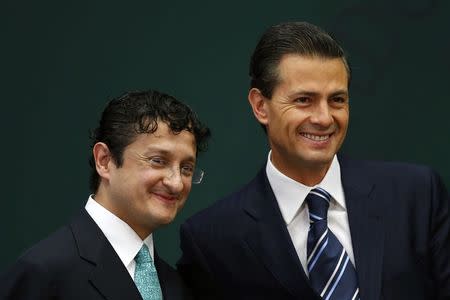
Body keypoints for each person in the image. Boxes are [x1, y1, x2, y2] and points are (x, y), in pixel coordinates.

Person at [176, 22, 450, 300]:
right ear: (260, 106)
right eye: (304, 100)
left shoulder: (416, 195)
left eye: (337, 100)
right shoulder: (213, 238)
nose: (324, 118)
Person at [0, 90, 210, 300]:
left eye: (186, 168)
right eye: (157, 161)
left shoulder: (177, 287)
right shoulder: (43, 272)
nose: (175, 183)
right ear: (104, 160)